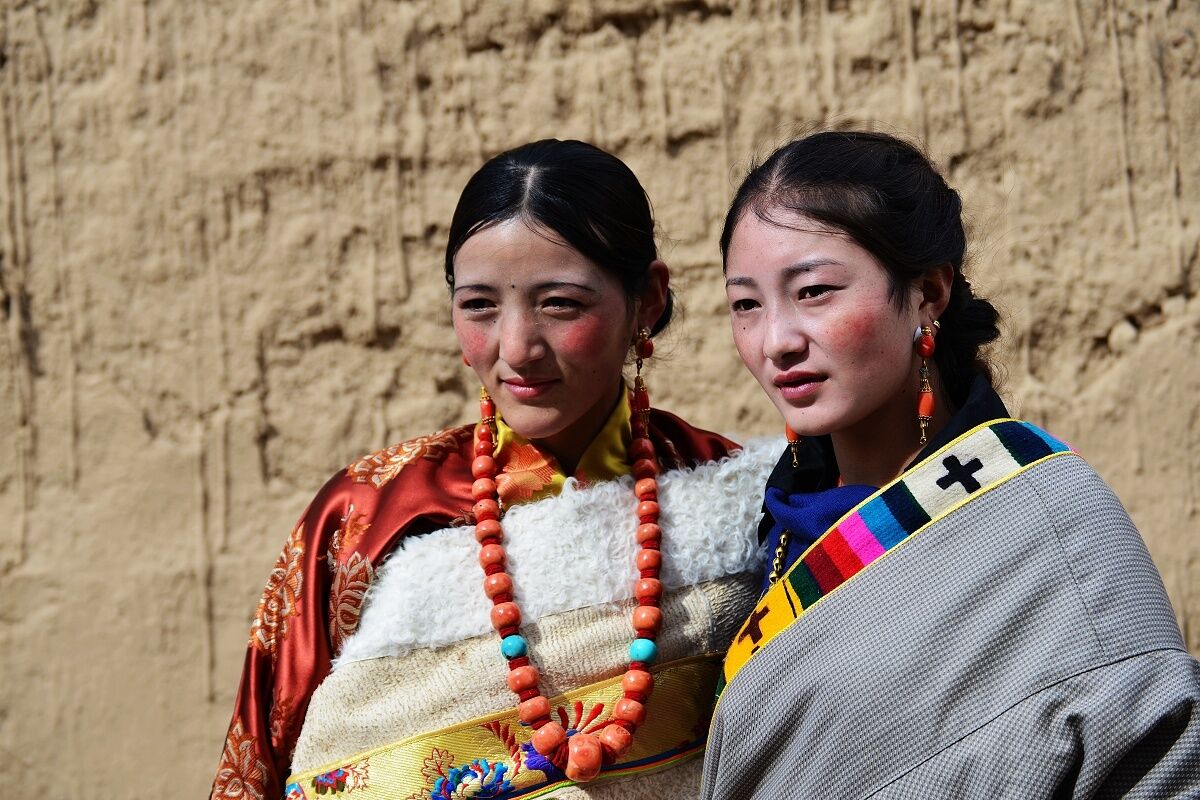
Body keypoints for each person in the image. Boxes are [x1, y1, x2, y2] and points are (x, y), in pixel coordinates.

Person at [209, 139, 776, 800]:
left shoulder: (731, 492)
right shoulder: (368, 518)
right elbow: (264, 765)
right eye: (479, 306)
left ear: (647, 300)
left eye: (560, 304)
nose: (516, 348)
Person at [701, 130, 1200, 798]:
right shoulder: (770, 530)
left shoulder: (1050, 523)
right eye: (746, 304)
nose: (776, 340)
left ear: (928, 293)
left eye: (815, 291)